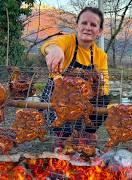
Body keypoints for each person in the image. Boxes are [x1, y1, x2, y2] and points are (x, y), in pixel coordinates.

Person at [40, 7, 110, 148]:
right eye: (84, 23)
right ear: (77, 25)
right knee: (65, 134)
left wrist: (93, 92)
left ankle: (87, 134)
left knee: (105, 99)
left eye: (93, 25)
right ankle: (62, 137)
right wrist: (55, 50)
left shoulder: (100, 55)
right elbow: (48, 46)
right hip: (58, 96)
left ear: (100, 31)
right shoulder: (68, 42)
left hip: (82, 99)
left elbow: (105, 86)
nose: (88, 28)